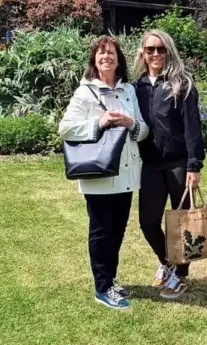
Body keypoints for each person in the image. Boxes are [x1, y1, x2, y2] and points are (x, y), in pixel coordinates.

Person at [59, 36, 149, 310]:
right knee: (101, 231)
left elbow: (143, 130)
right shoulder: (85, 92)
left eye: (111, 53)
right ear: (94, 60)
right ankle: (102, 287)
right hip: (99, 175)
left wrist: (130, 122)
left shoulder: (128, 91)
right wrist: (100, 121)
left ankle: (110, 279)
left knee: (118, 230)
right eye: (101, 53)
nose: (106, 57)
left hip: (126, 173)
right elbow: (65, 128)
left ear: (118, 59)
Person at [133, 28, 205, 300]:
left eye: (160, 49)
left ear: (168, 51)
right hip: (150, 164)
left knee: (183, 224)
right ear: (142, 52)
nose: (155, 54)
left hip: (178, 164)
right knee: (147, 222)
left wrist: (193, 166)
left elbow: (192, 127)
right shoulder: (136, 87)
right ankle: (166, 261)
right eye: (150, 49)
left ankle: (181, 276)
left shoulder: (181, 84)